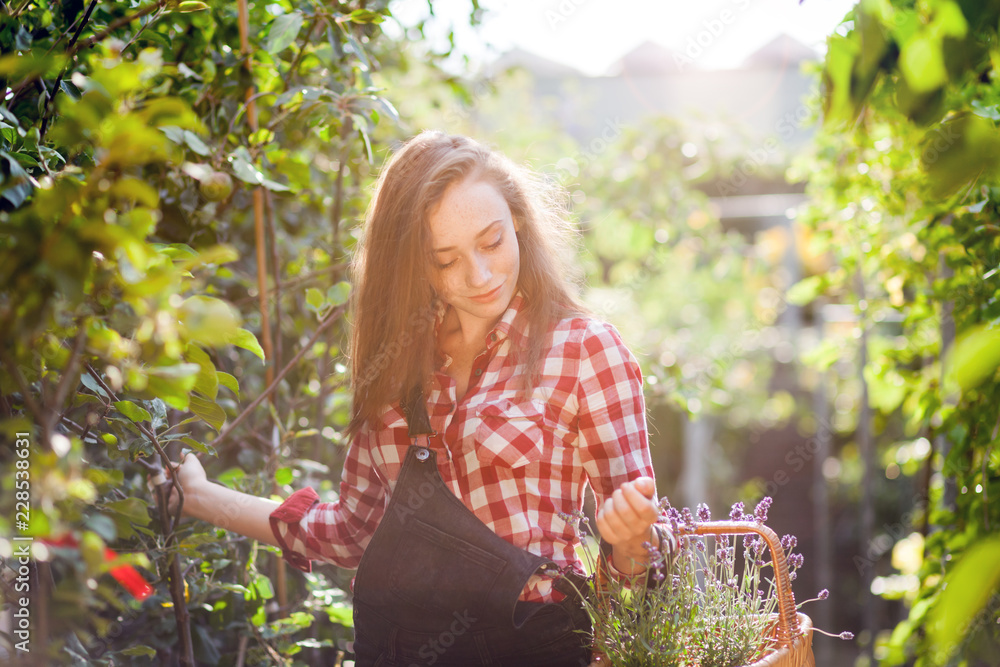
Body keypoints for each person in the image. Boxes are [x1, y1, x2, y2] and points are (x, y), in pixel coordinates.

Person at [164, 131, 675, 667]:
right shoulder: (398, 368)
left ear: (518, 219)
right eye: (445, 260)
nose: (479, 276)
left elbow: (638, 575)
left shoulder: (582, 350)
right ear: (413, 265)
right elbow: (351, 534)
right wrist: (199, 498)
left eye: (493, 241)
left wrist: (631, 541)